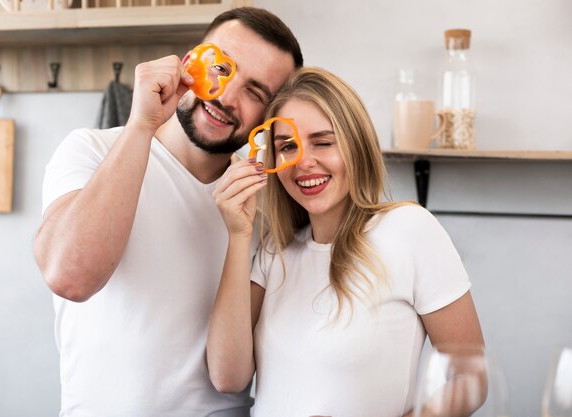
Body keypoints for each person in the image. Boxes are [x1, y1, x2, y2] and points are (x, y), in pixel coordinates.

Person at [33, 7, 303, 417]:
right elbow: (70, 277)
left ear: (270, 115)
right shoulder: (91, 150)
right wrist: (141, 125)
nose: (226, 97)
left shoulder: (268, 202)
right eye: (221, 67)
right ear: (189, 59)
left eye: (255, 92)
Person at [207, 67, 484, 417]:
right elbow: (227, 376)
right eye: (287, 146)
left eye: (323, 142)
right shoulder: (277, 250)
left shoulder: (409, 229)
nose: (304, 161)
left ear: (355, 145)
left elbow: (470, 376)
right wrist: (237, 234)